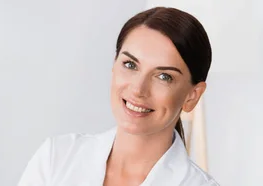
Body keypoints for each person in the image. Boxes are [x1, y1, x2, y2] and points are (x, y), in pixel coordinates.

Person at [17, 6, 218, 186]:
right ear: (114, 64)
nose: (138, 89)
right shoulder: (56, 158)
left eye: (163, 76)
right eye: (130, 65)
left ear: (192, 96)